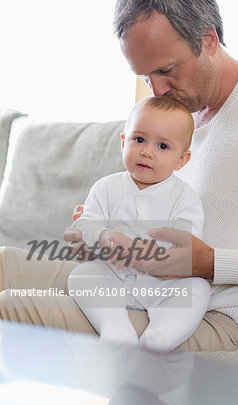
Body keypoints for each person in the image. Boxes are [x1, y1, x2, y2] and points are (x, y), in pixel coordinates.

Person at [1, 0, 238, 350]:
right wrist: (102, 241)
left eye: (167, 69)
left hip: (236, 318)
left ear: (209, 40)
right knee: (4, 262)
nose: (157, 90)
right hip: (144, 285)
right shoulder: (179, 119)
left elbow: (198, 258)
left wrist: (212, 264)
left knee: (10, 307)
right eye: (145, 75)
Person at [67, 96, 211, 352]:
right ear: (124, 142)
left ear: (182, 159)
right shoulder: (106, 187)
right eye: (139, 139)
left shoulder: (185, 198)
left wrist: (138, 250)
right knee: (82, 275)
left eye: (163, 146)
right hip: (114, 275)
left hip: (162, 284)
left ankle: (161, 336)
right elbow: (85, 224)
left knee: (198, 289)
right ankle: (114, 328)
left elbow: (184, 248)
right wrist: (103, 235)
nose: (147, 151)